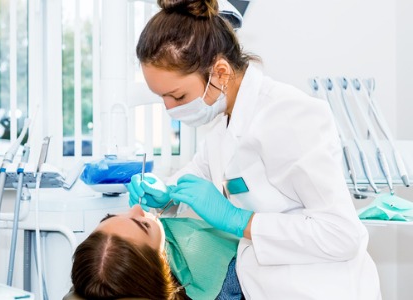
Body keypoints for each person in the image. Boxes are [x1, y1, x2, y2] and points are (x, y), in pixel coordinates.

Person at [126, 0, 382, 299]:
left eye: (178, 96)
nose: (170, 109)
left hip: (320, 288)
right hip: (262, 285)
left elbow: (342, 235)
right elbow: (198, 174)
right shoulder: (224, 121)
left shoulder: (289, 116)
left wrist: (239, 220)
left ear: (220, 72)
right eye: (162, 98)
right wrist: (165, 193)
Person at [70, 204, 242, 300]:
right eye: (144, 225)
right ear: (161, 261)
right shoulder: (227, 281)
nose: (136, 208)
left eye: (111, 216)